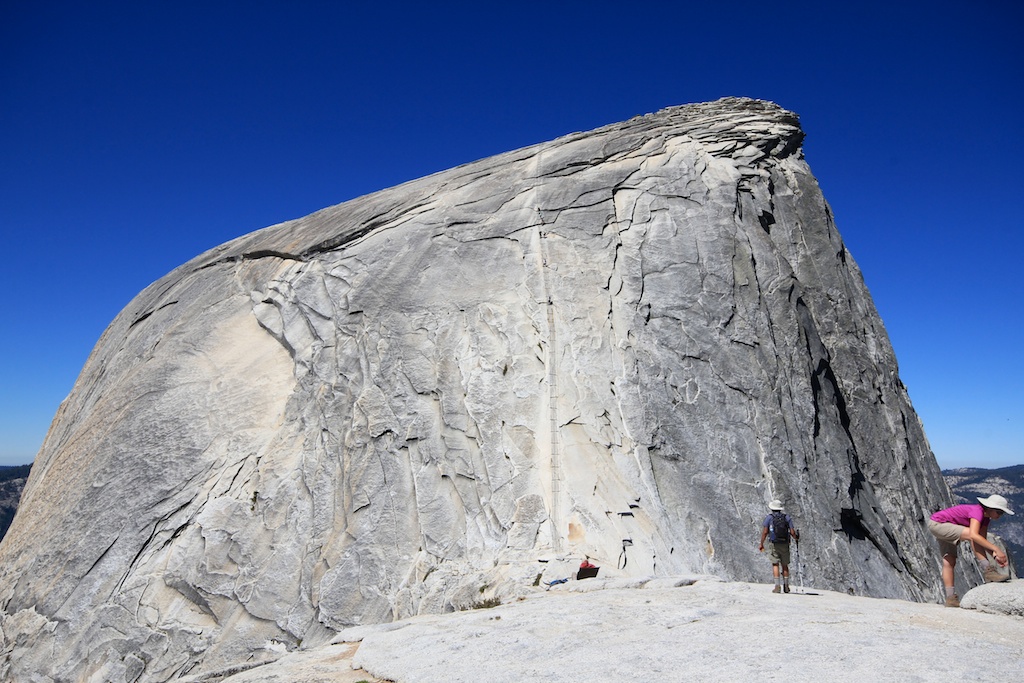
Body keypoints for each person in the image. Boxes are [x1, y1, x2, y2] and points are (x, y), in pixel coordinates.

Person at [927, 494, 1014, 608]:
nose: (1000, 516)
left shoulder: (985, 518)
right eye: (999, 512)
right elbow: (974, 535)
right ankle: (988, 571)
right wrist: (997, 549)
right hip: (939, 524)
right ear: (991, 509)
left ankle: (950, 599)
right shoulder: (977, 512)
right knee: (972, 535)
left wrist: (994, 554)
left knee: (949, 560)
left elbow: (981, 540)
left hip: (942, 526)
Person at [758, 499, 799, 593]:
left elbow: (765, 532)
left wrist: (761, 543)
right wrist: (796, 538)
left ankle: (777, 586)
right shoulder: (786, 517)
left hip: (774, 543)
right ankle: (786, 586)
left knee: (775, 564)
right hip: (785, 543)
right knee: (785, 565)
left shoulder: (769, 518)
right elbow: (792, 532)